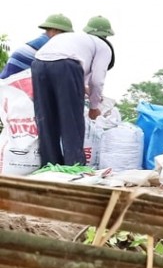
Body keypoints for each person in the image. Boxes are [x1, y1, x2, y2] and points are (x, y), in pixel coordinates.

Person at [30, 16, 115, 166]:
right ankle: (73, 165)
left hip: (38, 63)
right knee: (71, 119)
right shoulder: (105, 47)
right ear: (107, 35)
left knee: (45, 117)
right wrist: (94, 108)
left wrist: (84, 89)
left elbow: (77, 79)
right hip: (66, 65)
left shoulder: (76, 40)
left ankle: (50, 165)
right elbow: (97, 80)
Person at [0, 14, 74, 79]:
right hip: (13, 85)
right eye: (64, 33)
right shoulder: (49, 45)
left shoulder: (40, 41)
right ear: (54, 30)